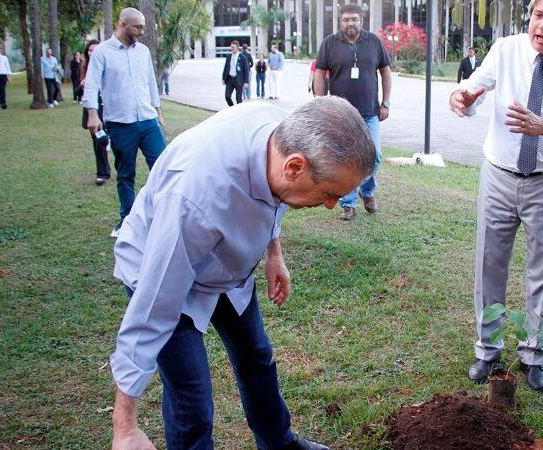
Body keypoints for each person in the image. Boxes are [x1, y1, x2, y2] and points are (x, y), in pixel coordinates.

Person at [109, 96, 375, 450]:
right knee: (192, 399)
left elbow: (276, 193)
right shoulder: (194, 197)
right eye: (329, 194)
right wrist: (124, 425)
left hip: (227, 270)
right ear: (295, 168)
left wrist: (274, 252)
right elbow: (153, 307)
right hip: (165, 267)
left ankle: (278, 442)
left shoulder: (280, 133)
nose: (330, 205)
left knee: (257, 358)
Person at [450, 0, 543, 392]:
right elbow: (474, 86)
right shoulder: (506, 49)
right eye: (537, 15)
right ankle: (487, 348)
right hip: (498, 174)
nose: (542, 25)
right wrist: (463, 98)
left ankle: (534, 354)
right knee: (488, 263)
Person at [82, 7, 167, 238]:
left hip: (148, 120)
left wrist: (158, 111)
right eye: (138, 27)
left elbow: (150, 82)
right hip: (121, 124)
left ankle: (164, 216)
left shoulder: (143, 51)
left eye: (142, 27)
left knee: (164, 168)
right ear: (123, 24)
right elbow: (91, 84)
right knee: (125, 174)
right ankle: (127, 220)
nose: (141, 31)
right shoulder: (102, 52)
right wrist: (92, 113)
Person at [313, 3, 392, 221]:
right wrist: (320, 104)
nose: (351, 23)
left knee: (375, 155)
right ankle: (348, 205)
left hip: (369, 112)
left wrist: (385, 103)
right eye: (346, 19)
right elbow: (319, 74)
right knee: (346, 160)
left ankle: (366, 192)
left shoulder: (373, 42)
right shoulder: (329, 44)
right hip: (341, 115)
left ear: (361, 21)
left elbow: (385, 71)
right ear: (340, 21)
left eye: (354, 19)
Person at [78, 39, 111, 186]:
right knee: (98, 142)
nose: (93, 52)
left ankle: (107, 169)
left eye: (95, 49)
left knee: (105, 141)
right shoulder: (85, 69)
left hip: (107, 109)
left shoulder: (108, 66)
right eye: (90, 50)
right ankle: (102, 172)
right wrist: (82, 85)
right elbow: (78, 93)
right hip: (92, 111)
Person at [222, 40, 251, 106]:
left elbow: (246, 70)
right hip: (230, 79)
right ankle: (232, 108)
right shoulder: (229, 56)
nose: (231, 49)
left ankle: (239, 111)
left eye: (233, 47)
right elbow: (226, 67)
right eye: (231, 47)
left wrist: (246, 82)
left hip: (238, 80)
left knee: (238, 98)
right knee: (227, 96)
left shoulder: (243, 58)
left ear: (237, 48)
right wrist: (223, 78)